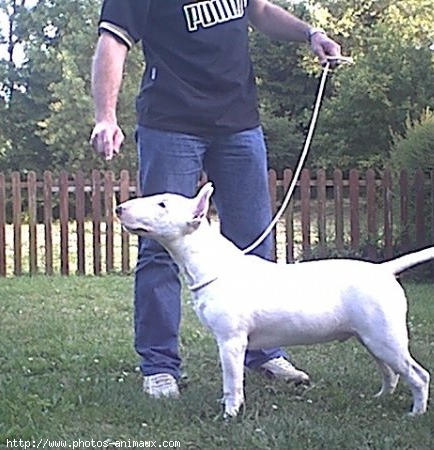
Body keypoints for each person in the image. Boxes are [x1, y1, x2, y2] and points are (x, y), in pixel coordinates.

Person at [91, 0, 342, 398]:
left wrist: (310, 33)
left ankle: (263, 354)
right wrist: (105, 115)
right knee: (158, 248)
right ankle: (159, 367)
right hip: (170, 123)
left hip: (239, 123)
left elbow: (258, 10)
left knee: (255, 241)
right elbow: (112, 41)